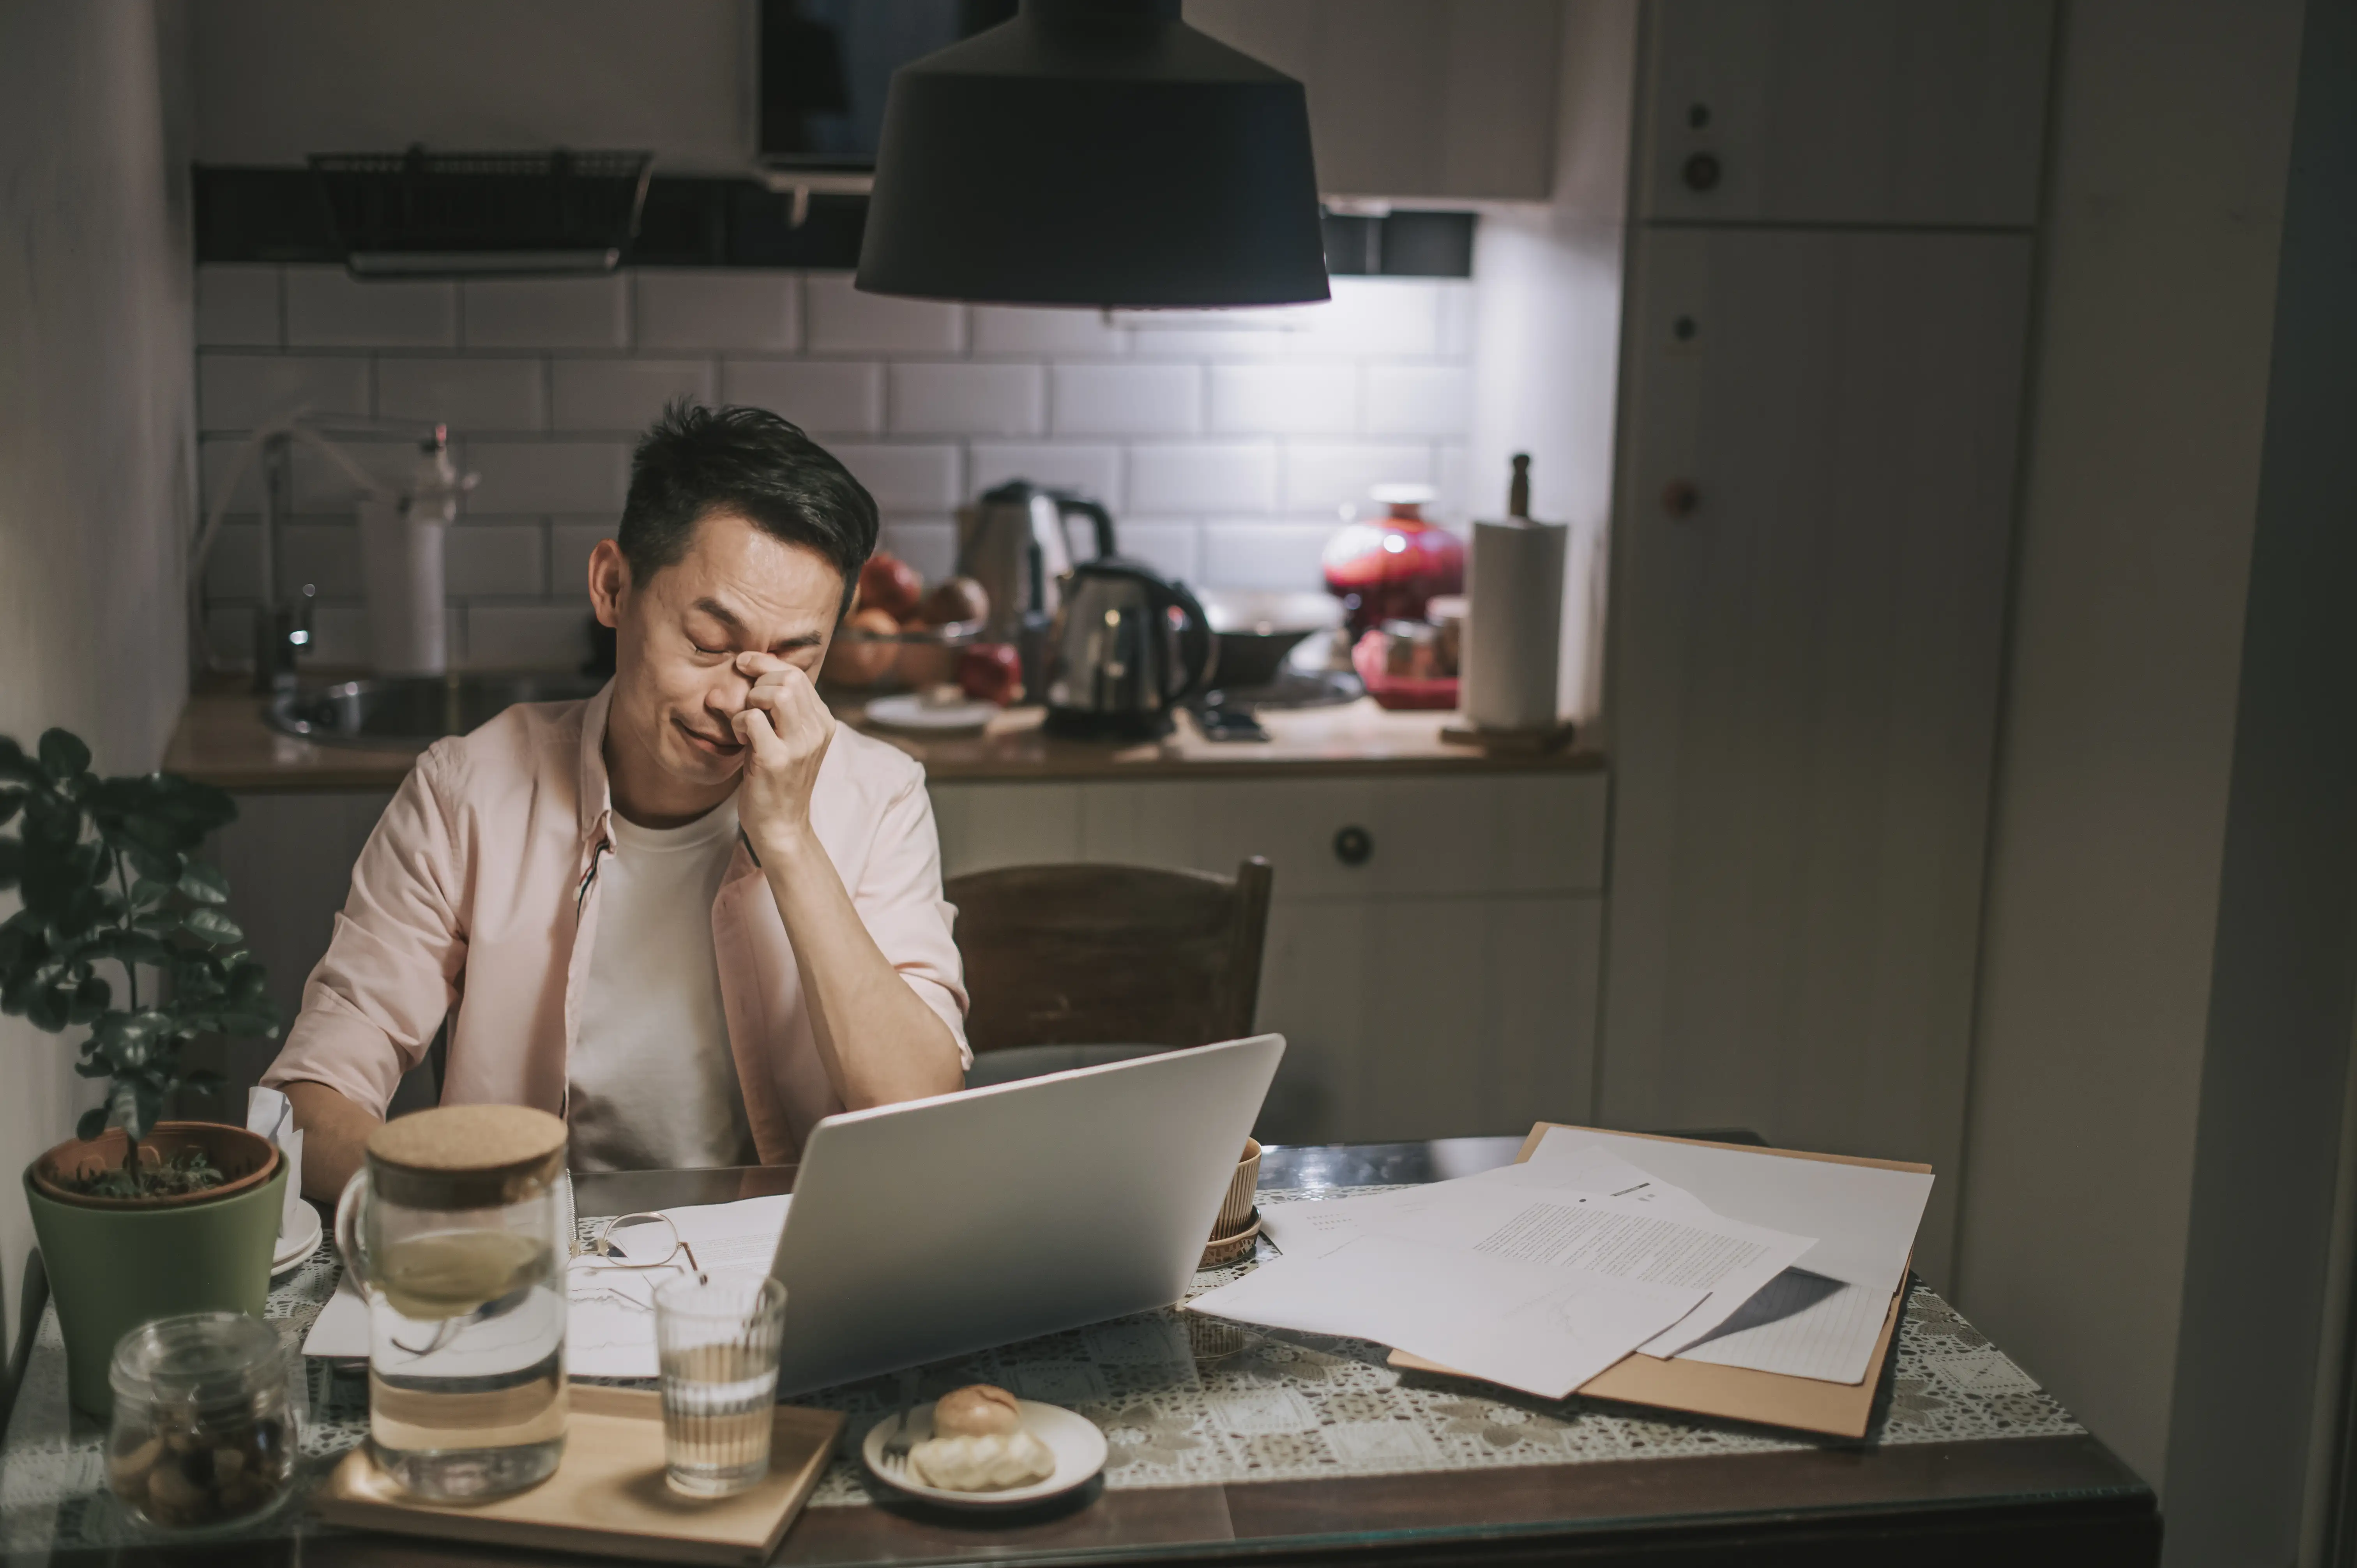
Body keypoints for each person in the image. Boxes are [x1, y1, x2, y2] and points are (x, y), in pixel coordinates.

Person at [265, 403, 968, 1199]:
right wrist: (473, 1216)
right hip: (540, 1264)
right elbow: (309, 1106)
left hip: (789, 1263)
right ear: (612, 586)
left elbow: (918, 1107)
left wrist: (792, 842)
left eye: (794, 659)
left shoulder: (879, 793)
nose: (740, 703)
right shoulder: (467, 790)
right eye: (707, 643)